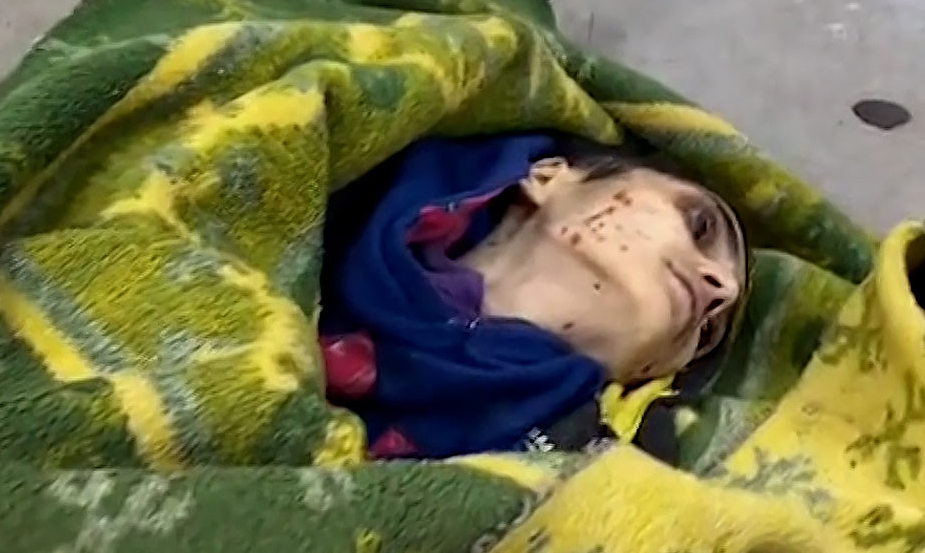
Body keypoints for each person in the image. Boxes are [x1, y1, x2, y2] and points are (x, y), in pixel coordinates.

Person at [318, 133, 748, 461]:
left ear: (644, 373)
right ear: (546, 176)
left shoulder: (601, 481)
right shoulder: (327, 187)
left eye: (708, 334)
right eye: (700, 226)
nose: (723, 289)